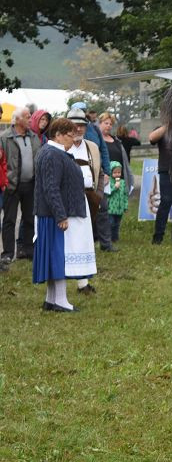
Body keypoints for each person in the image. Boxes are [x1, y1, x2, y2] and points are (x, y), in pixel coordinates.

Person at [32, 118, 88, 312]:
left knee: (53, 257)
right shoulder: (52, 154)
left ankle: (51, 299)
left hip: (50, 214)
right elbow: (51, 188)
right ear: (58, 134)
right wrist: (61, 215)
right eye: (70, 135)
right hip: (52, 215)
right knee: (57, 258)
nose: (73, 139)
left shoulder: (52, 152)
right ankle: (61, 301)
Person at [65, 108, 101, 295]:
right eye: (74, 125)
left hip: (88, 198)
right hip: (66, 200)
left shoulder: (92, 147)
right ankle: (61, 282)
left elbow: (100, 173)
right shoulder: (61, 146)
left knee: (85, 241)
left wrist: (99, 195)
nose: (78, 129)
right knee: (67, 241)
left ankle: (83, 283)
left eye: (81, 125)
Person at [1, 106, 42, 266]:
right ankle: (7, 254)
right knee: (9, 221)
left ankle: (29, 250)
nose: (30, 119)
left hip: (30, 185)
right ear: (18, 119)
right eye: (27, 117)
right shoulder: (5, 137)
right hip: (11, 186)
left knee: (30, 219)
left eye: (30, 116)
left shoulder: (34, 137)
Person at [94, 112, 132, 252]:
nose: (108, 126)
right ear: (99, 123)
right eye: (106, 123)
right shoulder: (97, 141)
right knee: (105, 210)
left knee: (117, 209)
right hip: (103, 180)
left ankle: (113, 236)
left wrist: (128, 179)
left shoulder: (116, 141)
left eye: (110, 124)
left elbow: (125, 162)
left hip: (118, 180)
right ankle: (103, 237)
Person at [103, 161, 129, 245]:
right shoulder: (109, 182)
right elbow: (108, 193)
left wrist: (125, 206)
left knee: (117, 224)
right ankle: (108, 238)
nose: (117, 174)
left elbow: (125, 195)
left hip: (120, 208)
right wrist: (115, 187)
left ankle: (115, 238)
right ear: (111, 173)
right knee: (111, 223)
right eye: (115, 172)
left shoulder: (123, 182)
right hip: (111, 208)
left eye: (119, 172)